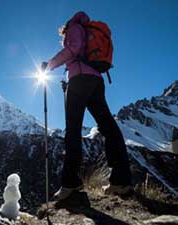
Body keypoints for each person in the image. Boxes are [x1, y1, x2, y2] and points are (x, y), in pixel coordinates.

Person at [43, 11, 132, 200]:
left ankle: (70, 183)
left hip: (80, 80)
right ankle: (121, 180)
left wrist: (49, 65)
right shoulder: (88, 30)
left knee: (73, 130)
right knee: (108, 125)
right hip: (96, 81)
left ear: (64, 29)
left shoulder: (74, 28)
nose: (63, 38)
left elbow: (73, 49)